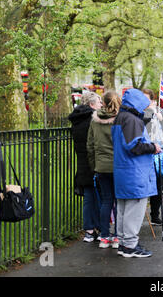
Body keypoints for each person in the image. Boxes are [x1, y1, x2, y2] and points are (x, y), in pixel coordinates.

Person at [112, 88, 162, 258]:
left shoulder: (120, 118)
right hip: (135, 172)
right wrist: (153, 147)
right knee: (134, 209)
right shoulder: (132, 120)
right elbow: (134, 146)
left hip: (123, 170)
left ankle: (123, 242)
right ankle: (130, 245)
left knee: (123, 209)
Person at [87, 90, 121, 249]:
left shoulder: (94, 120)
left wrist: (95, 165)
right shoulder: (120, 119)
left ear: (104, 103)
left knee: (106, 201)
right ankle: (117, 236)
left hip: (101, 166)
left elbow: (90, 145)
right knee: (120, 201)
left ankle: (104, 236)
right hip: (118, 166)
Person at [68, 92, 103, 242]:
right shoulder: (93, 120)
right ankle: (102, 229)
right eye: (99, 102)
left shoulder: (77, 120)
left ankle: (89, 230)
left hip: (82, 163)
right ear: (91, 105)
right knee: (101, 197)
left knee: (89, 198)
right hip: (95, 162)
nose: (101, 104)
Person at [142, 88, 163, 226]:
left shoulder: (158, 113)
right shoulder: (140, 113)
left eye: (147, 99)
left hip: (159, 152)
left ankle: (155, 214)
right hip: (145, 152)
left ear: (152, 100)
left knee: (157, 184)